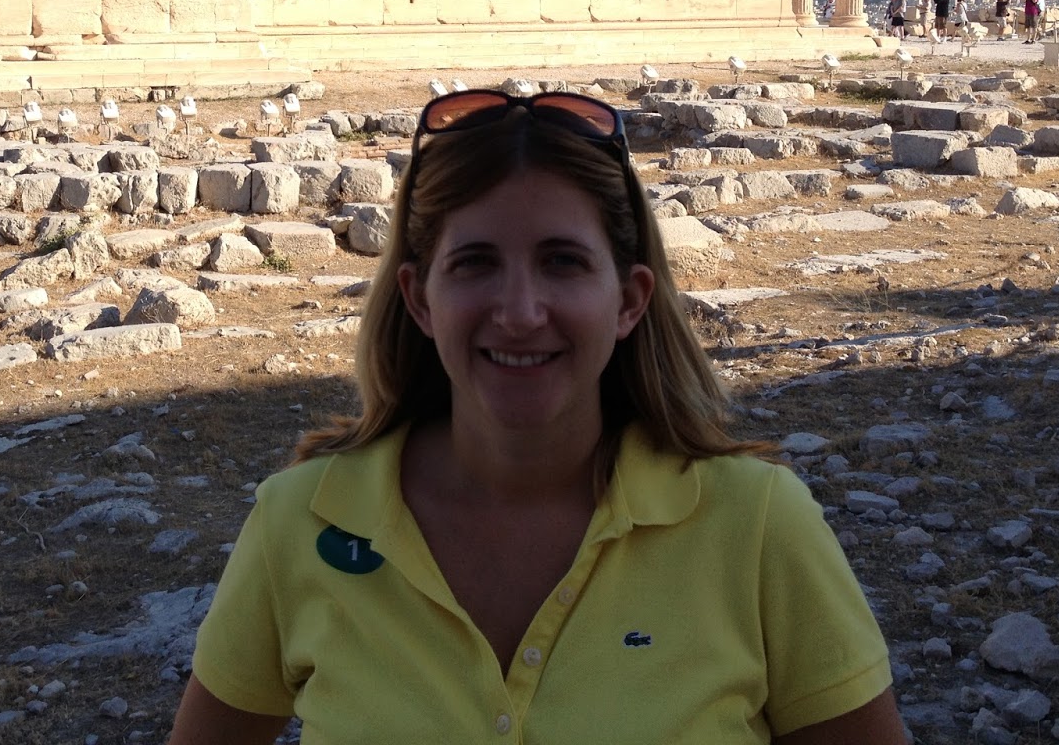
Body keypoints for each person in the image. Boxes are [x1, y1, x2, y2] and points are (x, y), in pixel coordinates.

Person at [170, 89, 905, 744]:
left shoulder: (757, 527)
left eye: (562, 262)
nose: (520, 314)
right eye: (475, 263)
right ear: (420, 299)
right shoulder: (301, 523)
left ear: (629, 300)